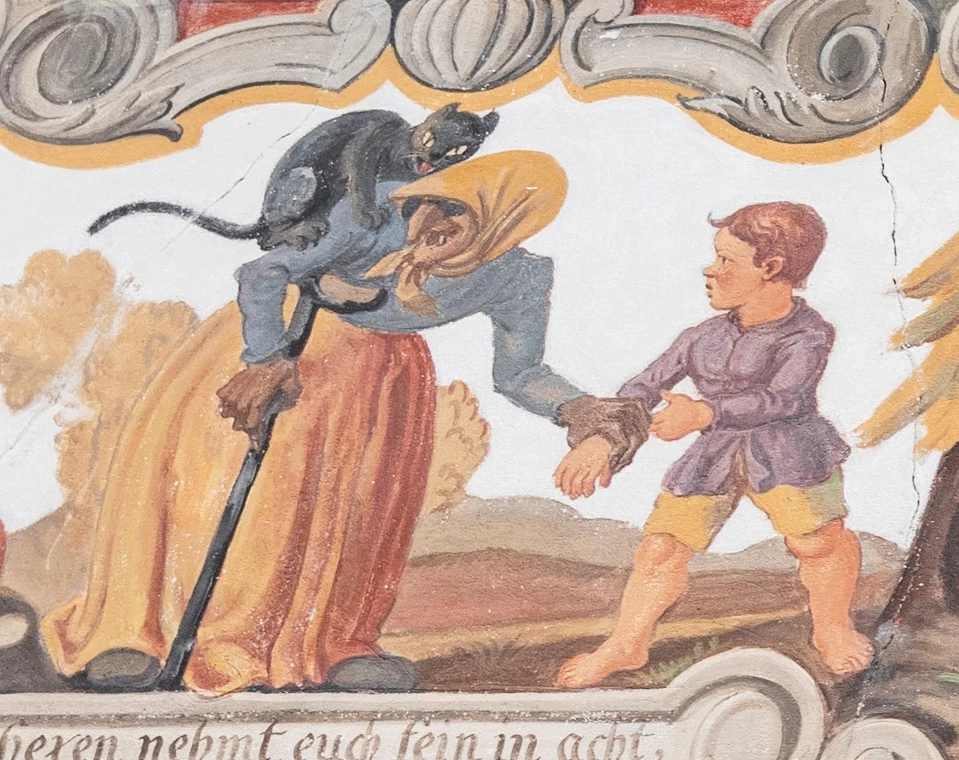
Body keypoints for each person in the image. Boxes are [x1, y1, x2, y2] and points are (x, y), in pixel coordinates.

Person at [50, 150, 618, 693]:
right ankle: (134, 636)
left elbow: (520, 372)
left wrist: (578, 410)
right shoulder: (372, 212)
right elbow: (262, 274)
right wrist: (266, 361)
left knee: (351, 516)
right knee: (212, 493)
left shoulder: (519, 276)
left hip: (379, 387)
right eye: (435, 203)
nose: (434, 220)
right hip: (277, 344)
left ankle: (331, 647)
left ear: (506, 220)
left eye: (459, 213)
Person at [552, 203, 869, 688]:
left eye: (726, 261)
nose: (710, 270)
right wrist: (602, 437)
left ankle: (833, 628)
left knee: (817, 542)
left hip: (790, 453)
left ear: (771, 269)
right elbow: (642, 387)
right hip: (713, 457)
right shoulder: (699, 337)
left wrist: (703, 413)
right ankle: (625, 645)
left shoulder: (809, 334)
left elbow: (784, 398)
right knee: (661, 548)